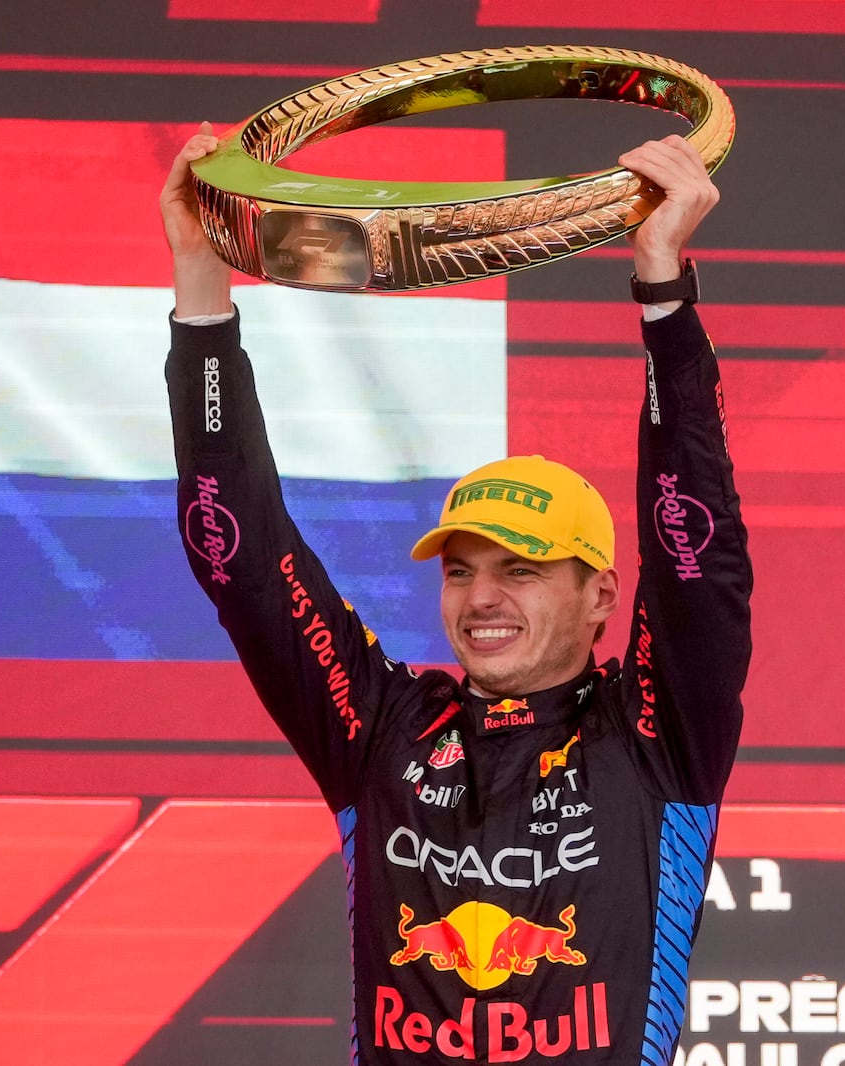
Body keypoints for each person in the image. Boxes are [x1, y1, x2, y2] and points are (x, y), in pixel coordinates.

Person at [162, 122, 752, 1064]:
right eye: (461, 568)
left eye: (521, 568)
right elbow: (233, 551)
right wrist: (201, 290)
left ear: (601, 595)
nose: (482, 597)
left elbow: (698, 558)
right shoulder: (382, 726)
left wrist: (664, 294)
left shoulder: (654, 737)